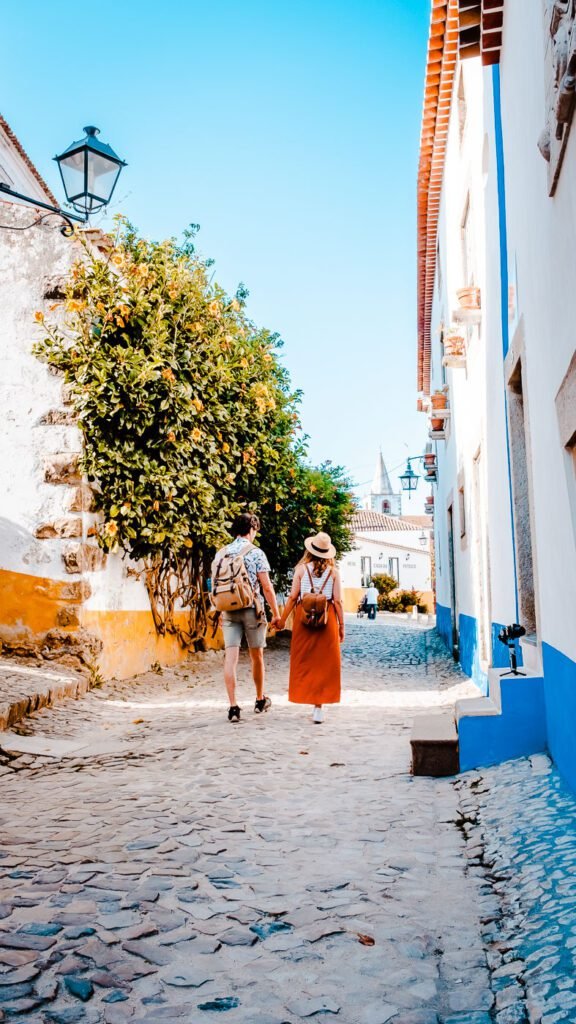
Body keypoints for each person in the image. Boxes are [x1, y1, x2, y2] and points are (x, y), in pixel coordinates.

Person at [211, 512, 281, 723]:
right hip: (252, 609)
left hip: (228, 609)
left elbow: (213, 583)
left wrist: (218, 609)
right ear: (252, 529)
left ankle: (233, 707)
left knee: (230, 658)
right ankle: (260, 700)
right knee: (256, 656)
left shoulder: (221, 553)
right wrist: (276, 613)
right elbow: (267, 587)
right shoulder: (256, 553)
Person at [273, 531, 344, 725]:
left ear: (310, 550)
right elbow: (337, 601)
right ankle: (318, 707)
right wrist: (341, 626)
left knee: (304, 661)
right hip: (327, 619)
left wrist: (281, 620)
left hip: (303, 619)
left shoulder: (301, 570)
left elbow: (293, 597)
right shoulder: (334, 573)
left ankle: (306, 696)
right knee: (325, 664)